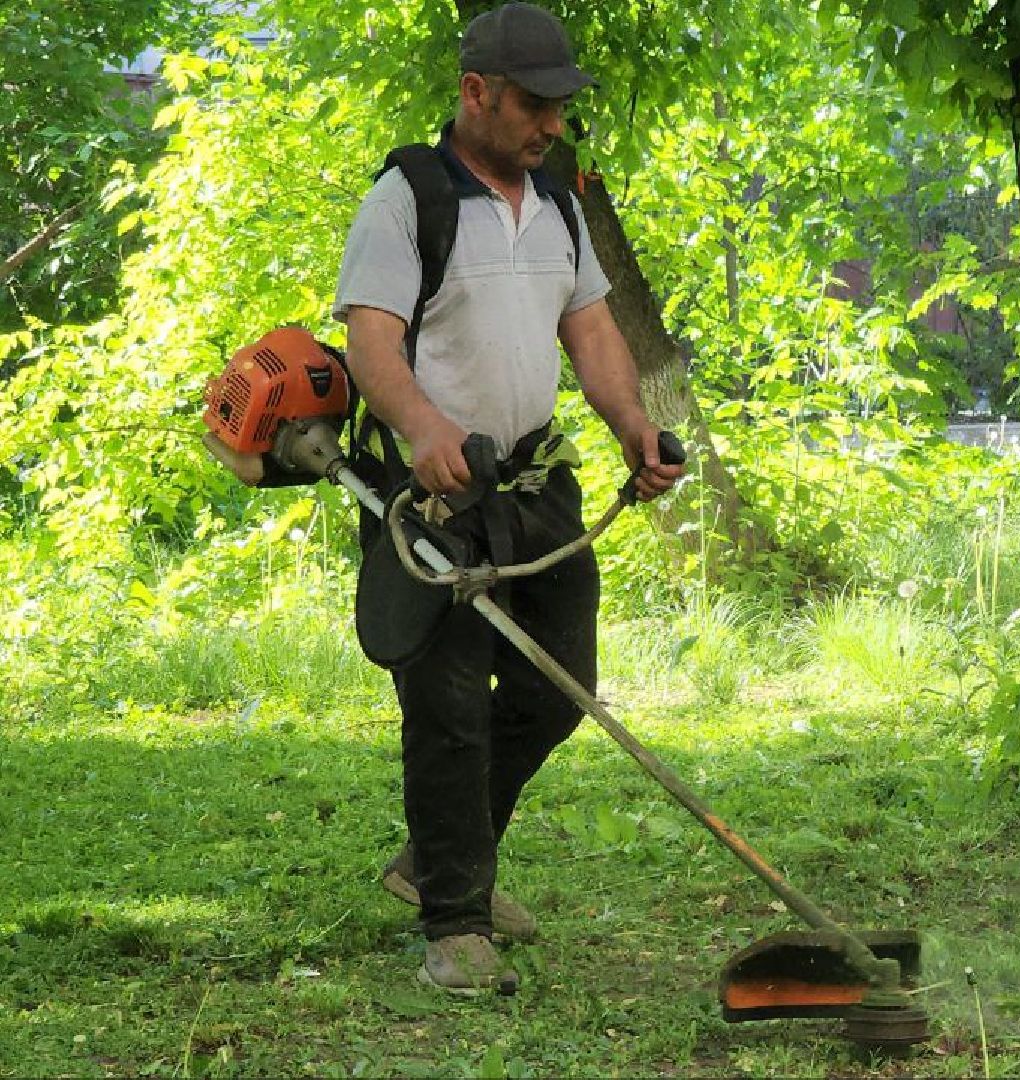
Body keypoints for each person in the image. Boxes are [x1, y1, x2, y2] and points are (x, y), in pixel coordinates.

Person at [332, 2, 684, 994]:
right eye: (535, 105)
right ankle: (455, 922)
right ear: (476, 93)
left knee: (560, 682)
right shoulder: (408, 199)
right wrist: (422, 426)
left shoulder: (560, 201)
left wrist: (631, 427)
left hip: (535, 484)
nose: (552, 126)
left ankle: (437, 861)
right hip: (432, 500)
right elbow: (371, 340)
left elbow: (594, 331)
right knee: (448, 710)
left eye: (561, 108)